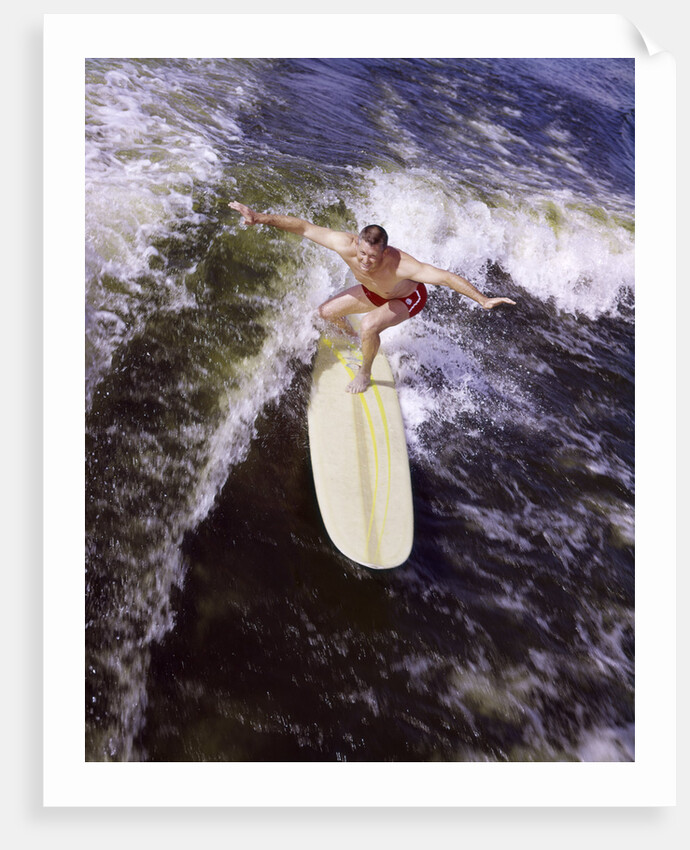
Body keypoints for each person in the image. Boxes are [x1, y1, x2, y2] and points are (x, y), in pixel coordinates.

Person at [229, 201, 516, 393]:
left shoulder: (402, 265)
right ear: (357, 243)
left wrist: (482, 299)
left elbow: (445, 277)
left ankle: (365, 373)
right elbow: (303, 227)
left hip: (407, 298)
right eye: (362, 253)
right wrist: (259, 218)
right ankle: (359, 342)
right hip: (374, 292)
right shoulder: (345, 244)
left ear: (385, 251)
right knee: (326, 313)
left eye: (373, 256)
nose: (365, 261)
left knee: (369, 324)